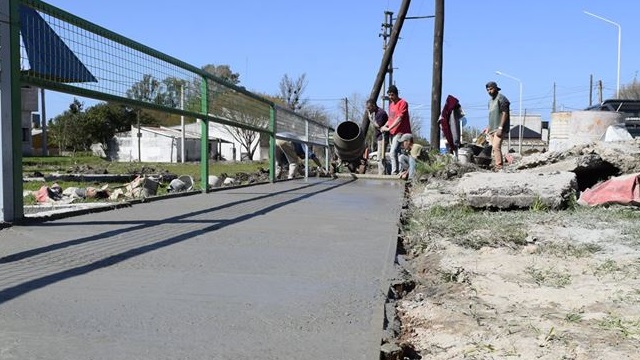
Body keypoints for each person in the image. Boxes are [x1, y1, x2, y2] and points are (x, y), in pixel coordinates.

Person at [380, 85, 412, 175]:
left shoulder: (403, 103)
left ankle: (394, 172)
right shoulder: (391, 105)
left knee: (392, 152)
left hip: (401, 132)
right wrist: (384, 126)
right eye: (389, 95)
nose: (390, 97)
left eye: (392, 95)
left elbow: (399, 118)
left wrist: (389, 128)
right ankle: (400, 171)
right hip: (393, 132)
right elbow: (391, 119)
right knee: (397, 153)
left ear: (396, 94)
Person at [485, 81, 510, 171]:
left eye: (491, 89)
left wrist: (500, 127)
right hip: (492, 128)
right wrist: (488, 127)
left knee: (496, 146)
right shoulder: (490, 102)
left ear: (495, 88)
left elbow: (505, 113)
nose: (489, 91)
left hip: (499, 128)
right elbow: (491, 115)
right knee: (493, 148)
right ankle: (498, 165)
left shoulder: (502, 98)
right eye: (487, 90)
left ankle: (499, 166)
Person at [366, 99, 389, 175]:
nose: (368, 110)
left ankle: (381, 175)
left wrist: (370, 119)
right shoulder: (376, 112)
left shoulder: (380, 113)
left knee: (380, 158)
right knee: (380, 158)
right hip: (380, 137)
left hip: (382, 137)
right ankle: (383, 173)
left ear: (373, 105)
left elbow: (378, 125)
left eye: (369, 108)